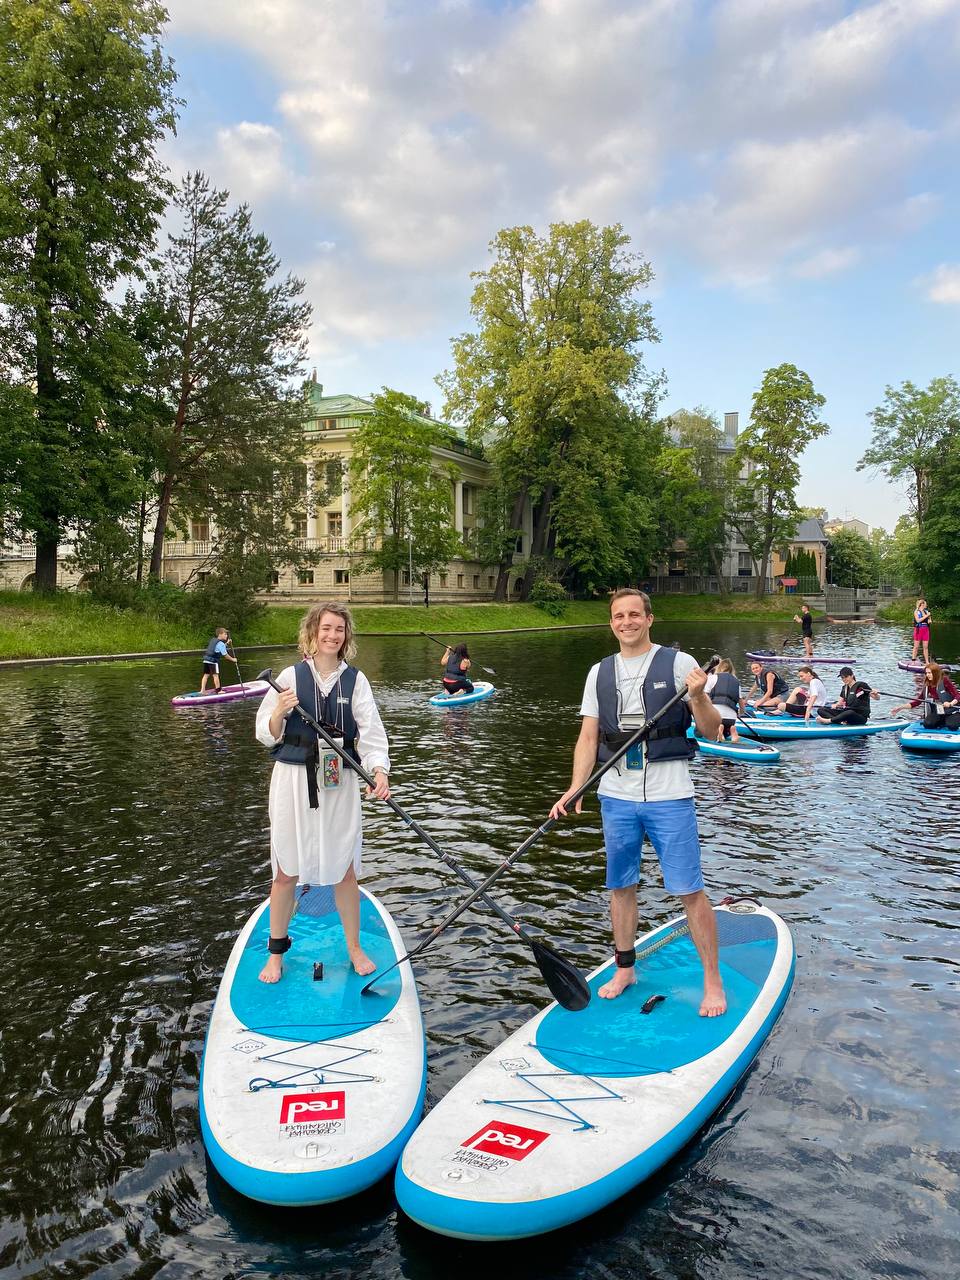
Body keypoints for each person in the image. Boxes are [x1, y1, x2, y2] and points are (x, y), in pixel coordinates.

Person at [548, 588, 726, 1018]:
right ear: (611, 623)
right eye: (618, 616)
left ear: (649, 619)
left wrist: (699, 697)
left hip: (669, 795)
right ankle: (624, 969)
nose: (626, 622)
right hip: (616, 795)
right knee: (620, 885)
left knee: (688, 889)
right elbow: (588, 736)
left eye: (633, 615)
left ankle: (712, 981)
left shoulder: (679, 664)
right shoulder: (599, 672)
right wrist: (575, 788)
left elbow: (712, 731)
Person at [255, 602, 391, 983]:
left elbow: (372, 734)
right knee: (285, 872)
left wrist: (379, 770)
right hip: (293, 782)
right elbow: (265, 732)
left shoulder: (356, 681)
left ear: (346, 636)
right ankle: (276, 954)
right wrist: (280, 710)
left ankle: (353, 948)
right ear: (312, 633)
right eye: (326, 628)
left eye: (339, 630)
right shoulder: (289, 677)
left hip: (338, 784)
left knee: (345, 870)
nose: (332, 636)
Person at [890, 663, 960, 729]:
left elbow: (957, 695)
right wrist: (901, 708)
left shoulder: (944, 680)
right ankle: (943, 721)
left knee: (952, 726)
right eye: (926, 673)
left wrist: (951, 703)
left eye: (929, 673)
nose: (927, 675)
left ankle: (952, 720)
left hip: (952, 711)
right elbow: (917, 702)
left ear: (935, 673)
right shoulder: (928, 685)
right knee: (928, 724)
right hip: (940, 711)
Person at [705, 658, 743, 742]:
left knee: (701, 732)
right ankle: (732, 732)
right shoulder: (736, 681)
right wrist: (741, 713)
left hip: (716, 716)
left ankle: (719, 731)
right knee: (727, 730)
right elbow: (741, 702)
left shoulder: (713, 677)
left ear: (719, 667)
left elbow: (704, 695)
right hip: (731, 719)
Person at [200, 627, 238, 693]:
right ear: (220, 635)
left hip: (206, 660)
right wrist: (233, 659)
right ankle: (218, 690)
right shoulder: (221, 644)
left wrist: (227, 643)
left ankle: (202, 690)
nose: (226, 635)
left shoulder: (213, 640)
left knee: (206, 675)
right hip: (213, 662)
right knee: (215, 676)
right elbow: (225, 655)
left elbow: (219, 648)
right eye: (225, 634)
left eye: (226, 634)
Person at [911, 598, 932, 664]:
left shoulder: (926, 612)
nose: (926, 605)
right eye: (924, 604)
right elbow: (918, 620)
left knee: (925, 647)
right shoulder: (916, 612)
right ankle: (913, 661)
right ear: (921, 604)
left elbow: (929, 621)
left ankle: (927, 662)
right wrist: (926, 616)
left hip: (925, 630)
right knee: (916, 646)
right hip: (918, 630)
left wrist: (929, 619)